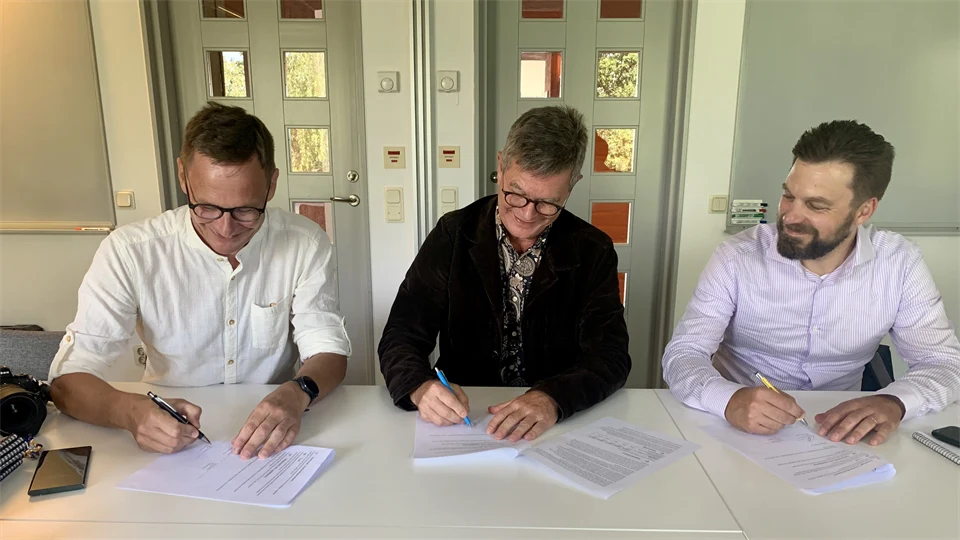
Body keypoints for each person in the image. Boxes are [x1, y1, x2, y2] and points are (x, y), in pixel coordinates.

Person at [48, 103, 351, 459]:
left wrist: (298, 391)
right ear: (183, 177)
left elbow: (328, 349)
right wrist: (129, 412)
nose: (225, 229)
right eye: (205, 207)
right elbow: (67, 381)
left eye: (245, 211)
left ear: (271, 184)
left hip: (275, 432)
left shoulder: (305, 242)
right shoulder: (130, 252)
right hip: (167, 433)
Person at [663, 120, 960, 446]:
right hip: (734, 428)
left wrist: (895, 402)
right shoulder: (737, 257)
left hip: (840, 433)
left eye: (816, 205)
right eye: (789, 195)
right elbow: (684, 354)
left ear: (864, 211)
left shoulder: (899, 264)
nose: (790, 216)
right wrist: (727, 398)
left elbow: (943, 363)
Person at [378, 106, 631, 442]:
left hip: (554, 424)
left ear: (573, 185)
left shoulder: (592, 250)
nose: (527, 214)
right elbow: (402, 334)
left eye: (547, 203)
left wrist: (553, 398)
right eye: (516, 193)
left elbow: (610, 356)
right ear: (500, 164)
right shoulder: (454, 235)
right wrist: (419, 387)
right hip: (465, 420)